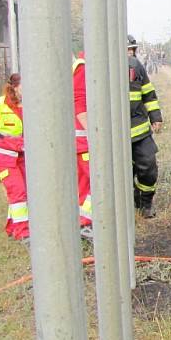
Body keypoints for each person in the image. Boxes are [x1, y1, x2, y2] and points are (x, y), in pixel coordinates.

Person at [0, 74, 28, 241]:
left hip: (22, 155)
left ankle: (12, 227)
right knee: (18, 191)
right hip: (4, 156)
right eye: (23, 87)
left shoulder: (33, 104)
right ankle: (22, 233)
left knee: (24, 192)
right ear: (15, 87)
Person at [128, 36, 162, 218]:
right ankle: (132, 199)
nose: (131, 54)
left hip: (139, 130)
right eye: (128, 50)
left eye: (132, 50)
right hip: (116, 135)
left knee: (148, 166)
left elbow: (148, 93)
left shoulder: (137, 67)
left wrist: (155, 116)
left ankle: (146, 203)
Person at [72, 52, 92, 233]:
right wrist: (94, 133)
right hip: (84, 140)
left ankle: (83, 223)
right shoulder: (84, 67)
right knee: (97, 179)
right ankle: (86, 223)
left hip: (82, 140)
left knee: (84, 185)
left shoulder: (86, 65)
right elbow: (79, 102)